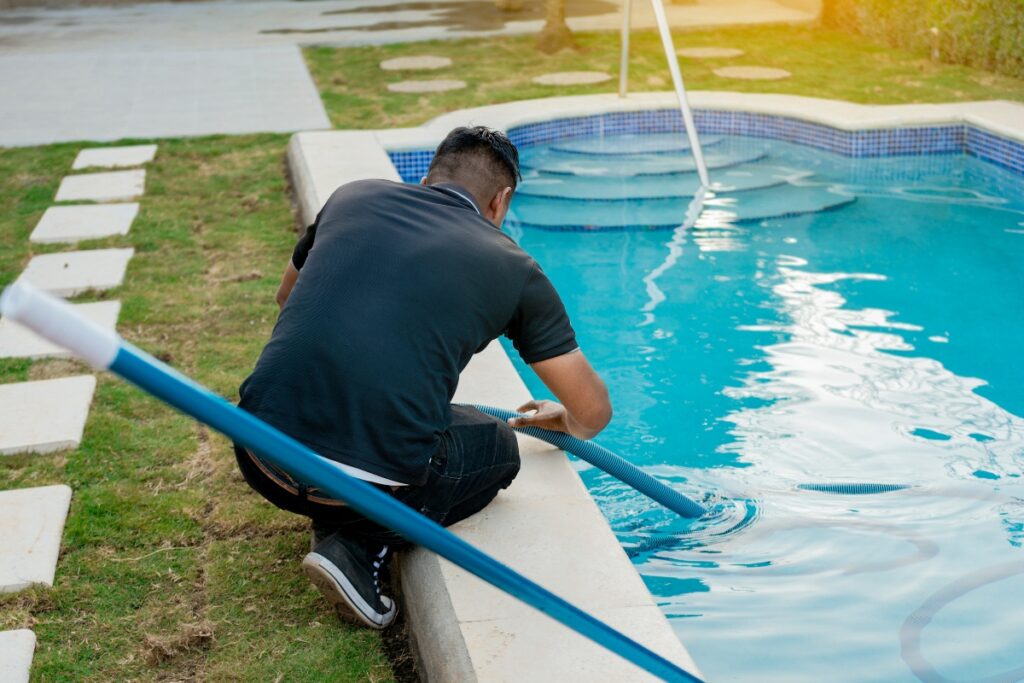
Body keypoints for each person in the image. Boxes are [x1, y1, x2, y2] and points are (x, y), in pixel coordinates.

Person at [234, 126, 612, 629]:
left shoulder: (352, 196)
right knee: (496, 444)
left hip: (259, 453)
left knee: (452, 419)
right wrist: (562, 418)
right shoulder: (511, 265)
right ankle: (357, 545)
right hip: (364, 484)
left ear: (429, 174)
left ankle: (339, 503)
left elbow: (286, 299)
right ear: (500, 201)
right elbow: (593, 414)